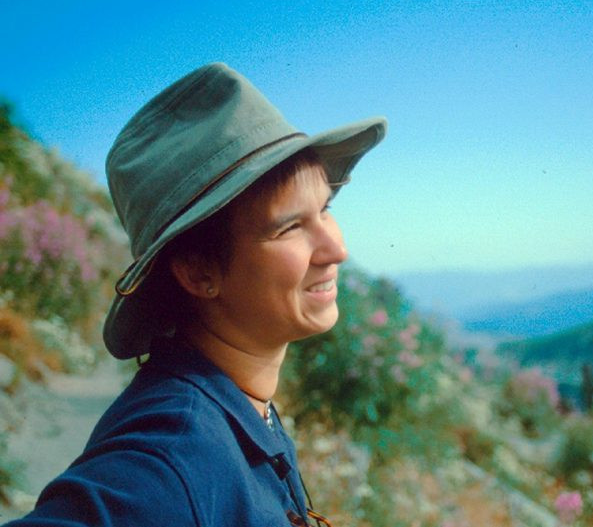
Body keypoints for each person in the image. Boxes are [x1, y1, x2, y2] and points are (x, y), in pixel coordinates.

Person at [4, 62, 386, 526]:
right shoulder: (171, 456)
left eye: (324, 209)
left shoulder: (238, 405)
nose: (337, 249)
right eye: (289, 227)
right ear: (197, 271)